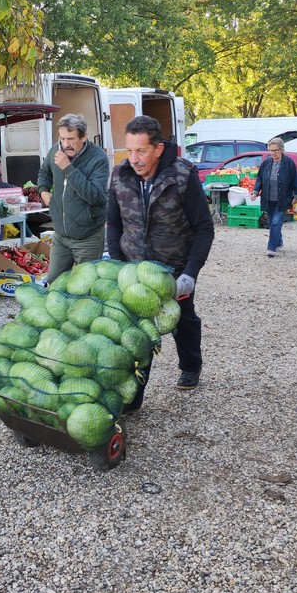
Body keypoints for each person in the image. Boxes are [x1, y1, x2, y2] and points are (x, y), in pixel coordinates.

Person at [107, 115, 214, 404]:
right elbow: (114, 224)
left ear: (158, 149)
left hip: (174, 269)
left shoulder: (182, 176)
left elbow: (204, 228)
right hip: (134, 270)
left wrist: (190, 273)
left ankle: (191, 366)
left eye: (141, 151)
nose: (134, 159)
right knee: (137, 332)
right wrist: (116, 264)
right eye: (129, 151)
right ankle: (134, 397)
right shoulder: (120, 176)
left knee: (182, 321)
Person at [37, 113, 109, 283]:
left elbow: (95, 196)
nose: (65, 144)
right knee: (54, 283)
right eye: (62, 138)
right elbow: (44, 172)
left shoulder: (98, 158)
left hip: (88, 236)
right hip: (61, 235)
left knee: (86, 287)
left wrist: (68, 168)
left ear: (84, 136)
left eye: (71, 139)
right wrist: (43, 191)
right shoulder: (56, 150)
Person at [249, 137, 297, 257]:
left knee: (276, 222)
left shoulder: (289, 163)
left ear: (282, 150)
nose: (273, 153)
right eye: (271, 151)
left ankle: (271, 248)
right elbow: (260, 179)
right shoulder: (266, 163)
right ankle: (279, 242)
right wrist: (255, 192)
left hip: (283, 198)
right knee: (271, 222)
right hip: (268, 198)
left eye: (276, 150)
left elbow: (295, 180)